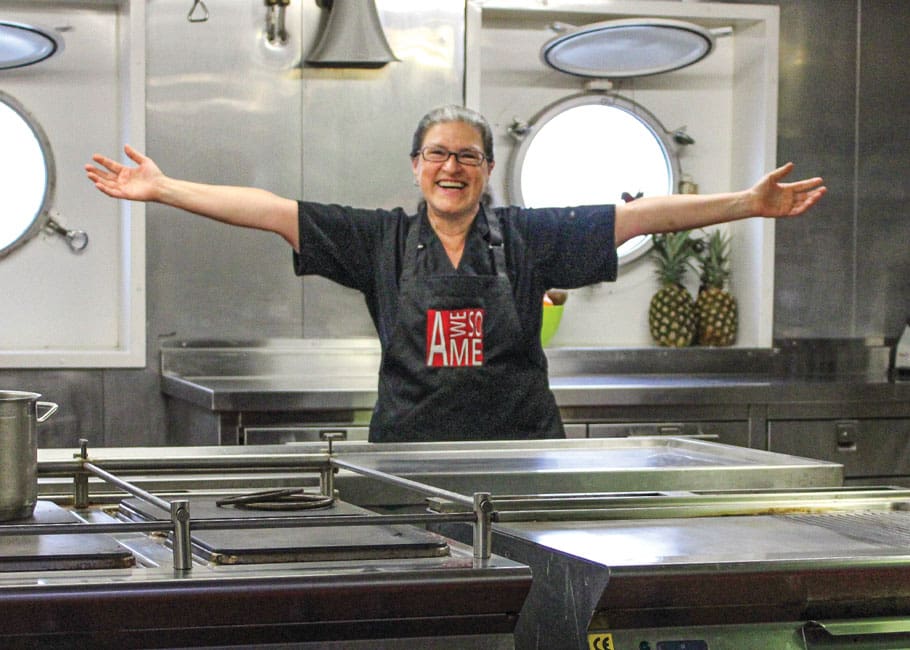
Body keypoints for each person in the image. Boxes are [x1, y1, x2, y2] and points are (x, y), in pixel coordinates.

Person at [85, 104, 826, 443]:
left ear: (488, 170)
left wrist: (747, 205)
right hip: (413, 453)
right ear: (415, 167)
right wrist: (165, 187)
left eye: (467, 155)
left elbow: (636, 219)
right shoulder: (378, 237)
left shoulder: (530, 236)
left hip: (522, 453)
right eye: (437, 154)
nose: (451, 167)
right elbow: (271, 209)